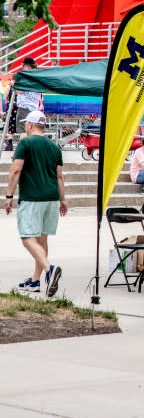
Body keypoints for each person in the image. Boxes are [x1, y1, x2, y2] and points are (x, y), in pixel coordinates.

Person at [4, 110, 66, 297]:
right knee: (42, 239)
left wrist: (9, 196)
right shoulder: (55, 148)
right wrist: (63, 199)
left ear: (30, 125)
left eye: (25, 124)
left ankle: (49, 269)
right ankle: (35, 281)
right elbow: (59, 176)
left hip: (32, 198)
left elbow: (16, 170)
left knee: (27, 238)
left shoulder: (25, 143)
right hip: (52, 198)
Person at [15, 57, 43, 134]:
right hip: (34, 107)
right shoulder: (37, 75)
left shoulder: (25, 76)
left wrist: (13, 85)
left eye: (23, 66)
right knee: (32, 130)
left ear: (26, 65)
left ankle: (24, 145)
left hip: (24, 106)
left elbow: (19, 91)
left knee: (22, 130)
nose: (22, 68)